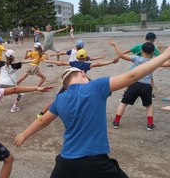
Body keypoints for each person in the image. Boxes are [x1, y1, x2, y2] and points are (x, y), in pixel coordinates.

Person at [14, 44, 170, 178]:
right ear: (83, 74)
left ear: (66, 85)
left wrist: (24, 134)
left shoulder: (60, 99)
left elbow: (42, 121)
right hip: (95, 161)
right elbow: (133, 75)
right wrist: (164, 56)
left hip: (66, 162)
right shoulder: (96, 86)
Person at [109, 40, 157, 130]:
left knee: (123, 103)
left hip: (134, 84)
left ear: (141, 51)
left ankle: (116, 121)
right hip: (146, 86)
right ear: (153, 52)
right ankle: (150, 124)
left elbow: (121, 55)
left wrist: (115, 45)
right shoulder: (153, 62)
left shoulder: (136, 58)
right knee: (149, 105)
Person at [123, 32, 160, 100]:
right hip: (136, 66)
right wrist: (119, 55)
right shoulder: (139, 46)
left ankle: (150, 94)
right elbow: (129, 50)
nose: (151, 42)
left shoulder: (153, 48)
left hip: (146, 67)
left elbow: (160, 57)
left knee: (151, 80)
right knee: (129, 78)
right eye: (150, 40)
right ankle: (126, 92)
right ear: (146, 39)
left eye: (152, 40)